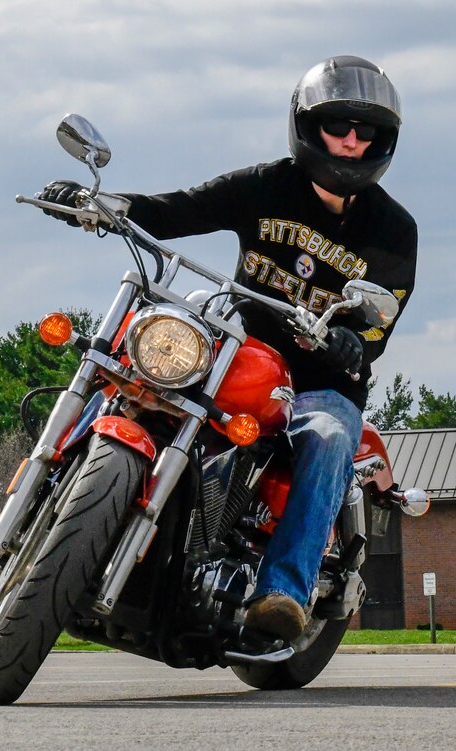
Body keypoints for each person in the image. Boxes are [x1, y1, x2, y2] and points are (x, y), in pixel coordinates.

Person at [37, 55, 418, 642]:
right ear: (307, 126)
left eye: (364, 131)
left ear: (381, 141)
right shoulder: (266, 185)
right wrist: (102, 205)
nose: (348, 141)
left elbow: (379, 325)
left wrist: (351, 340)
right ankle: (41, 499)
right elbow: (180, 208)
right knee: (132, 361)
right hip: (235, 353)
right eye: (336, 126)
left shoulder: (394, 229)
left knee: (331, 437)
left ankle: (282, 592)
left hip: (321, 383)